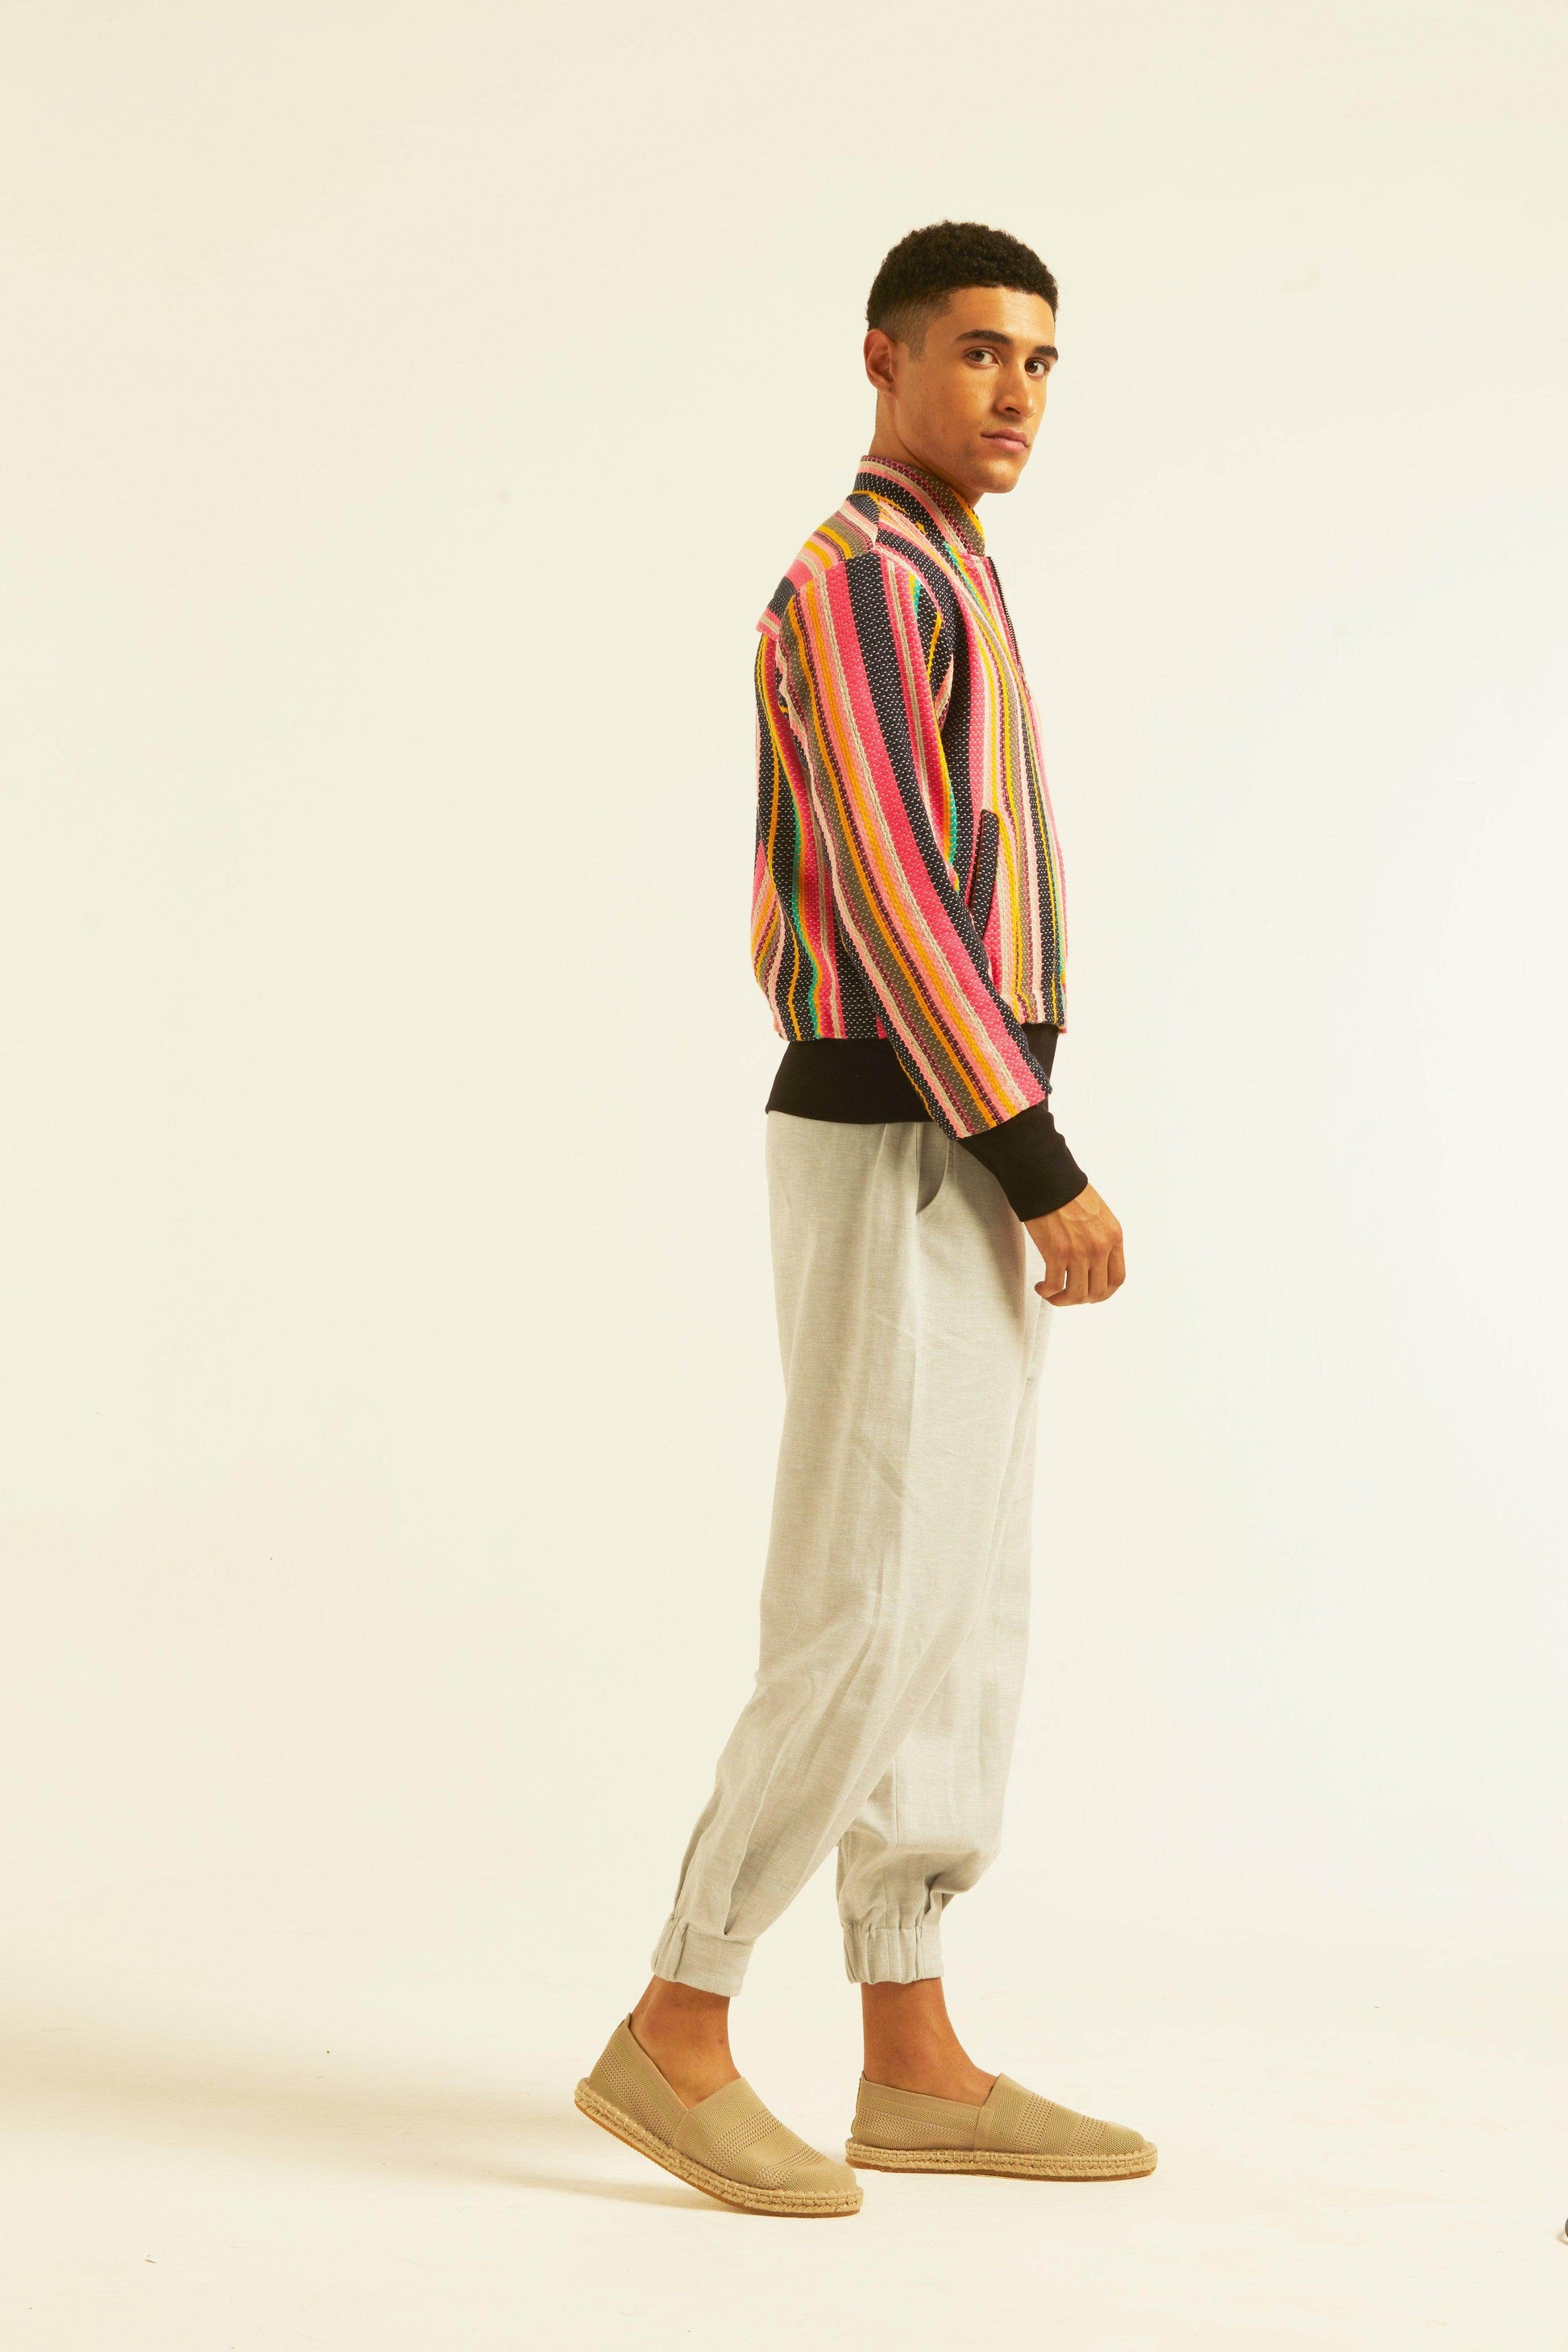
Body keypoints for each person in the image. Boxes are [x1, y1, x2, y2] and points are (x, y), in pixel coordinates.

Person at [576, 220, 1154, 2217]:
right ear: (884, 359)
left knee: (960, 1596)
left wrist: (1013, 1147)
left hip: (958, 1129)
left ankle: (908, 2049)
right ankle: (678, 2018)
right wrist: (1039, 1162)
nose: (1016, 391)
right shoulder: (854, 582)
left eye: (1042, 361)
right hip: (907, 1125)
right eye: (980, 350)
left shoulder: (953, 570)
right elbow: (903, 903)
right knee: (868, 1592)